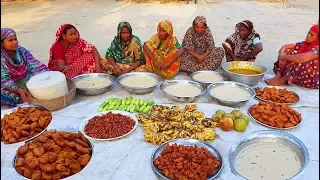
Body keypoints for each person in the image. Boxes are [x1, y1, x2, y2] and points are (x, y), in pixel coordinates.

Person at [1, 28, 48, 106]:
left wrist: (43, 77)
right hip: (7, 86)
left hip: (23, 79)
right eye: (10, 40)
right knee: (15, 97)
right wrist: (19, 90)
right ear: (2, 43)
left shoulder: (21, 50)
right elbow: (3, 81)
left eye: (15, 39)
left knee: (41, 84)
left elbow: (34, 65)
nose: (15, 42)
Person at [265, 24, 319, 89]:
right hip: (299, 74)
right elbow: (285, 46)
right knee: (288, 51)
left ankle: (282, 80)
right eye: (308, 33)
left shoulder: (317, 49)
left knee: (301, 61)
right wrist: (282, 56)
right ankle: (278, 76)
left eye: (312, 35)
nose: (308, 35)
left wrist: (284, 57)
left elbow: (301, 58)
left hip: (311, 78)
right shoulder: (305, 43)